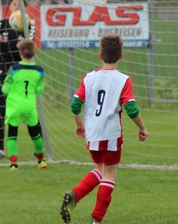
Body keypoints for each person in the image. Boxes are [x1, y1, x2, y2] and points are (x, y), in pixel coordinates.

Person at [61, 35, 148, 224]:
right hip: (111, 134)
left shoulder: (89, 78)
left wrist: (79, 124)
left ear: (100, 55)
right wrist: (142, 127)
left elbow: (75, 104)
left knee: (100, 170)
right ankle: (96, 218)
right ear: (121, 56)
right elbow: (131, 108)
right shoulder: (123, 80)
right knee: (109, 175)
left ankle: (75, 195)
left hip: (92, 134)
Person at [0, 0, 35, 159]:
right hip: (4, 72)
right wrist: (16, 45)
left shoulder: (29, 26)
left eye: (20, 5)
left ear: (24, 9)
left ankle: (38, 148)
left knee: (28, 112)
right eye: (14, 4)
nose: (17, 7)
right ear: (10, 6)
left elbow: (28, 48)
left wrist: (6, 44)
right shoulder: (1, 24)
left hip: (22, 74)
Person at [1, 39, 47, 170]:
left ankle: (14, 163)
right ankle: (41, 160)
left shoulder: (14, 69)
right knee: (35, 134)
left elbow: (5, 88)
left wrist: (8, 89)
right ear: (34, 53)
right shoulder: (39, 71)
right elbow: (39, 89)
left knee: (12, 134)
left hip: (14, 106)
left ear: (20, 52)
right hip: (29, 106)